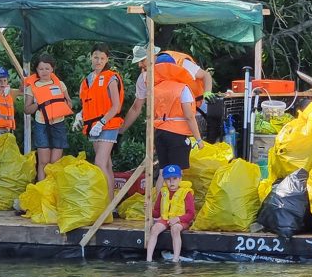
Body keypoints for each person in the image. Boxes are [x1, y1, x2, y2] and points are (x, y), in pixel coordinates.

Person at [120, 45, 214, 135]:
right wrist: (120, 131)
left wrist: (207, 92)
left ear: (153, 55)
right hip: (170, 123)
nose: (139, 65)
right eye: (138, 61)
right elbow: (136, 108)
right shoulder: (144, 78)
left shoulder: (180, 62)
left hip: (198, 111)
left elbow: (206, 75)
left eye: (142, 60)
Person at [76, 43, 124, 202]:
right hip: (92, 126)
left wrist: (101, 122)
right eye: (96, 57)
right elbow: (88, 104)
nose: (98, 61)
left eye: (102, 58)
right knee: (106, 164)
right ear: (91, 57)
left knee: (99, 162)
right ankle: (111, 203)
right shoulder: (87, 80)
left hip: (108, 124)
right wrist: (79, 115)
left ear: (107, 59)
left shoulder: (111, 77)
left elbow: (116, 106)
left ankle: (105, 202)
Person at [151, 54, 204, 191]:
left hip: (160, 134)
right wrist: (199, 139)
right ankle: (174, 206)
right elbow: (189, 116)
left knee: (163, 172)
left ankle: (158, 206)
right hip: (177, 135)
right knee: (176, 174)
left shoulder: (155, 90)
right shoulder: (182, 88)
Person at [23, 54, 73, 180]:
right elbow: (27, 109)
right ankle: (42, 191)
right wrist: (39, 103)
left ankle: (53, 191)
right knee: (44, 162)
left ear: (52, 69)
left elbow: (69, 102)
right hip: (41, 125)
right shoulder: (32, 87)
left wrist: (64, 104)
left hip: (58, 124)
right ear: (37, 71)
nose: (44, 71)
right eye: (41, 69)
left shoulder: (60, 84)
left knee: (55, 162)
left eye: (47, 68)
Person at [146, 164, 195, 263]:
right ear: (164, 180)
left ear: (180, 179)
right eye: (168, 179)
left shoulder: (186, 193)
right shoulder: (163, 192)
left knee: (175, 228)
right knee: (154, 229)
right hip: (166, 219)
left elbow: (191, 214)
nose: (171, 182)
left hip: (181, 220)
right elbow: (156, 213)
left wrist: (178, 219)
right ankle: (148, 259)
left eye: (175, 178)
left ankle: (175, 259)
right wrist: (148, 210)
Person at [0, 66, 19, 138]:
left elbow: (22, 91)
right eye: (0, 81)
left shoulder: (8, 93)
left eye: (5, 80)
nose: (3, 83)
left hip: (9, 130)